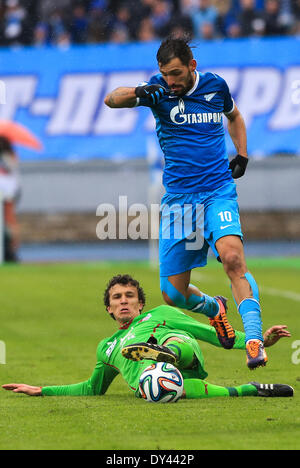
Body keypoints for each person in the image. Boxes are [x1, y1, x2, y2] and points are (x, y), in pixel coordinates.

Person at [104, 37, 267, 370]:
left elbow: (234, 117)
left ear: (192, 66)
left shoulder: (214, 87)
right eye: (164, 74)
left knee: (233, 258)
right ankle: (214, 309)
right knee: (173, 295)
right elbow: (111, 99)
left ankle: (253, 339)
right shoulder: (158, 91)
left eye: (176, 73)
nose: (170, 81)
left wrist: (243, 154)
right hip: (179, 201)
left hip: (217, 190)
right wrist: (140, 93)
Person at [2, 275, 293, 400]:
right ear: (109, 308)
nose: (124, 301)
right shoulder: (107, 347)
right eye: (117, 297)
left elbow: (215, 335)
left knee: (175, 344)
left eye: (130, 296)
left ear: (141, 304)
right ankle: (251, 389)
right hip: (156, 383)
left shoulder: (162, 312)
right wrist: (42, 390)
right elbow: (92, 389)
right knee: (167, 389)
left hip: (185, 354)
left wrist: (260, 342)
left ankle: (165, 353)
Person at [0, 136, 21, 262]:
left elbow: (12, 167)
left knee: (9, 219)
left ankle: (12, 250)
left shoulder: (10, 155)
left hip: (8, 190)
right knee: (8, 220)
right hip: (7, 188)